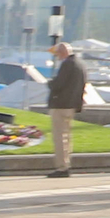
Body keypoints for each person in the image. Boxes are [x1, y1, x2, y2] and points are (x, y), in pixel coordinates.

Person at [43, 40, 87, 178]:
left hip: (61, 105)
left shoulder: (67, 64)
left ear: (62, 53)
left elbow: (58, 84)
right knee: (67, 137)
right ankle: (66, 164)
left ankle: (62, 167)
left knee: (59, 137)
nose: (57, 57)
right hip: (72, 105)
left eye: (58, 55)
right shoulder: (80, 64)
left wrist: (50, 83)